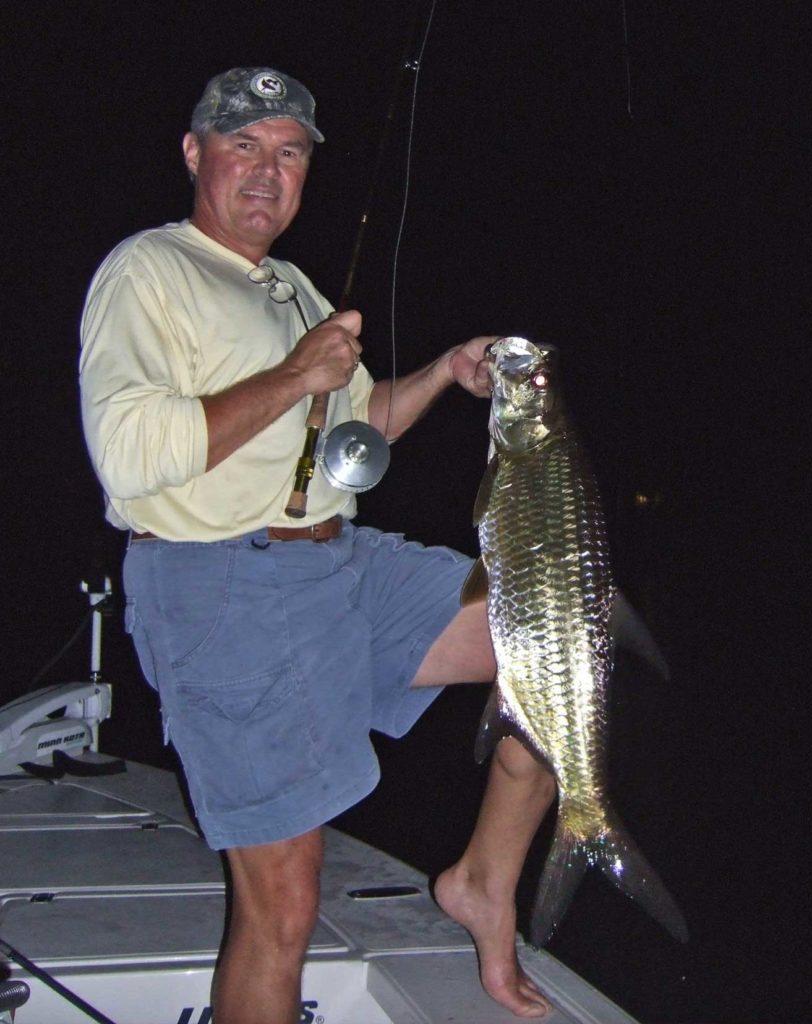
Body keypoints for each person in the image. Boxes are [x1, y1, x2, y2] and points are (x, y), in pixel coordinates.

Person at [79, 67, 556, 1022]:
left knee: (551, 649)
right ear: (194, 153)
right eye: (243, 146)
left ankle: (482, 884)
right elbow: (129, 455)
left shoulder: (291, 287)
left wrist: (440, 373)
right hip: (224, 584)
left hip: (340, 560)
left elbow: (349, 434)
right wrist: (297, 374)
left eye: (288, 152)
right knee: (283, 905)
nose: (266, 171)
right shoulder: (149, 272)